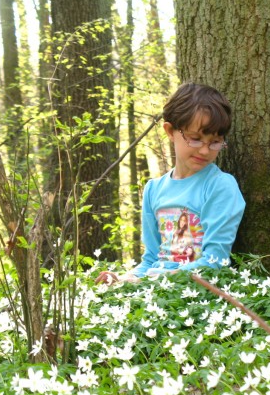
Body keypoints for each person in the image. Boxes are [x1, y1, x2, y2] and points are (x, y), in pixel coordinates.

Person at [96, 83, 246, 284]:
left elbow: (214, 262)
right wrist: (122, 279)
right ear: (169, 130)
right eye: (195, 139)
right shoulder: (154, 189)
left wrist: (151, 282)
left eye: (215, 142)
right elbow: (150, 259)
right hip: (156, 290)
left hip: (197, 294)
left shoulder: (219, 187)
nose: (204, 150)